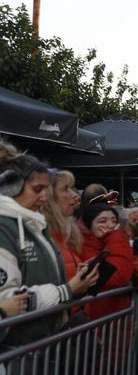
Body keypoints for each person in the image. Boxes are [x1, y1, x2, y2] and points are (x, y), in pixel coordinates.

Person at [0, 142, 98, 347]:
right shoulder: (5, 229)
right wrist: (67, 290)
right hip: (18, 350)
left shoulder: (34, 225)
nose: (44, 197)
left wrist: (75, 282)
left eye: (45, 189)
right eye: (37, 189)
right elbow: (6, 300)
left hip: (41, 346)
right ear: (10, 187)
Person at [80, 203, 138, 320]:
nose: (110, 225)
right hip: (97, 318)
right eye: (102, 221)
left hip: (116, 317)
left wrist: (132, 274)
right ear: (89, 226)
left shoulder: (112, 243)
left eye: (114, 221)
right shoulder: (85, 248)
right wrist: (116, 236)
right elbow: (118, 276)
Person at [42, 169, 83, 278]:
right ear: (50, 196)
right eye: (65, 189)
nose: (74, 194)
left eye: (72, 188)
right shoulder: (42, 233)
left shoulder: (69, 232)